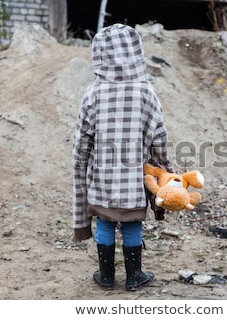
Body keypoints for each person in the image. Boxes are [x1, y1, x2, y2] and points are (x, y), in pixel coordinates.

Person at [72, 23, 172, 291]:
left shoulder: (93, 93)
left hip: (103, 174)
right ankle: (133, 276)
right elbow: (158, 137)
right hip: (133, 175)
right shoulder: (145, 92)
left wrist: (80, 168)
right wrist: (164, 168)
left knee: (105, 218)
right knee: (131, 221)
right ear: (135, 52)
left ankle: (105, 276)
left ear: (99, 54)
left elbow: (82, 141)